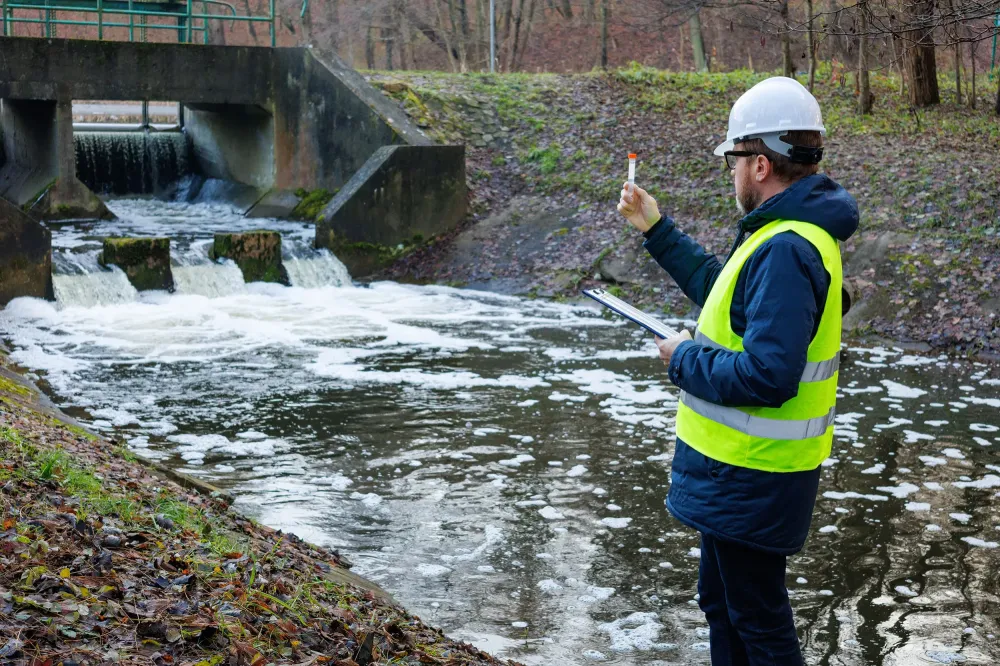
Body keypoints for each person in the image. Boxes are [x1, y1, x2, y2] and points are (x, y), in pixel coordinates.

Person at [616, 76, 859, 665]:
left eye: (733, 161)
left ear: (758, 166)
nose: (730, 173)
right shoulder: (785, 236)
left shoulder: (784, 247)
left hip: (753, 473)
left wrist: (683, 359)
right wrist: (657, 229)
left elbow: (768, 376)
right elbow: (723, 295)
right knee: (725, 604)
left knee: (757, 620)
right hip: (742, 473)